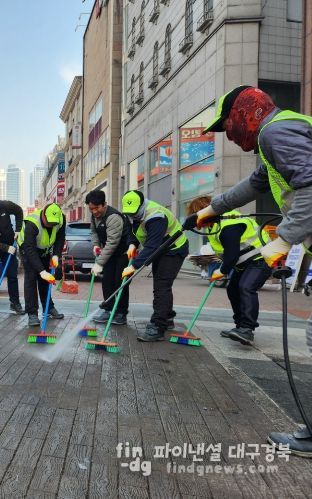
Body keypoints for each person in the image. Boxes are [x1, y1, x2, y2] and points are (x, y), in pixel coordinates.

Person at [191, 85, 312, 456]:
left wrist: (283, 240)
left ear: (244, 113)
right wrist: (211, 209)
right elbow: (255, 184)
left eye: (227, 125)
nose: (228, 134)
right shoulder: (277, 135)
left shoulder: (276, 133)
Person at [187, 196, 270, 346]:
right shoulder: (215, 225)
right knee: (232, 289)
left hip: (262, 259)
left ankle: (247, 329)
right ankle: (239, 327)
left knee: (246, 287)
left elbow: (231, 255)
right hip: (244, 262)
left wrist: (221, 271)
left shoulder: (229, 224)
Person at [120, 190, 189, 342]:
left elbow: (152, 246)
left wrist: (134, 266)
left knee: (161, 286)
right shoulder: (129, 213)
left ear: (141, 205)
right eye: (129, 213)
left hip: (173, 248)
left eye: (134, 212)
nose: (132, 215)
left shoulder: (156, 216)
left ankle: (158, 326)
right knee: (161, 285)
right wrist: (132, 244)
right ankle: (167, 317)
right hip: (160, 248)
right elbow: (132, 231)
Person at [86, 189, 133, 325]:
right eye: (91, 209)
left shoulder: (113, 217)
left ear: (104, 204)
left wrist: (99, 263)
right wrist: (96, 245)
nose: (94, 211)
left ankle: (121, 313)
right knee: (107, 281)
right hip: (110, 253)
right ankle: (108, 309)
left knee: (120, 282)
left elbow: (113, 242)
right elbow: (94, 232)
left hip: (123, 253)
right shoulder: (94, 216)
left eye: (97, 208)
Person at [18, 202, 66, 327]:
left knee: (46, 280)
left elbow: (60, 238)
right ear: (43, 214)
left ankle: (48, 308)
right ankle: (32, 313)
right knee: (31, 278)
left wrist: (56, 255)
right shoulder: (32, 223)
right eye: (48, 222)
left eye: (53, 224)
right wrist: (41, 271)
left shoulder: (61, 219)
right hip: (28, 250)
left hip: (44, 250)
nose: (51, 226)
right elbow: (29, 249)